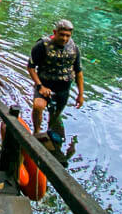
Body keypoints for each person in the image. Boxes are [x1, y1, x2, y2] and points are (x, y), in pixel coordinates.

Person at [27, 19, 84, 161]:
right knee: (38, 106)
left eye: (67, 36)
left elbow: (78, 72)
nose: (64, 38)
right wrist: (40, 86)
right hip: (44, 84)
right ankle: (37, 131)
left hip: (63, 88)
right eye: (62, 35)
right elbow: (31, 67)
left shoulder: (74, 48)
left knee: (55, 115)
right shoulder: (42, 45)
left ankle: (50, 135)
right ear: (55, 32)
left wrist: (80, 94)